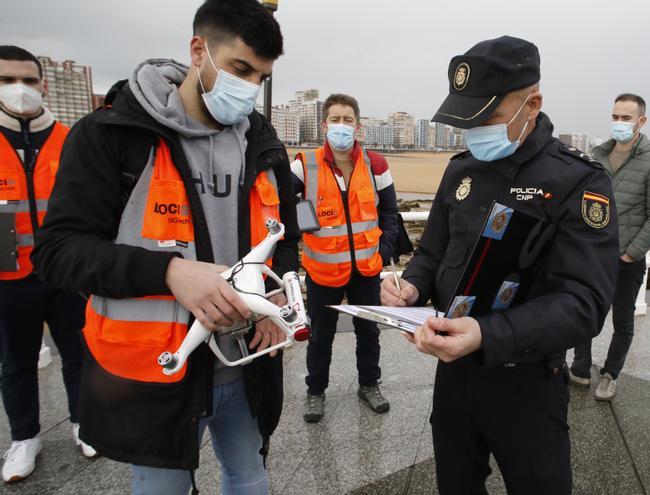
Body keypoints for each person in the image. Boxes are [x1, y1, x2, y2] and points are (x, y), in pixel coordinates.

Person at [31, 1, 298, 493]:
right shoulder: (112, 136)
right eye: (240, 69)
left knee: (251, 476)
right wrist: (169, 272)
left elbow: (285, 239)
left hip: (245, 362)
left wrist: (276, 299)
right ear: (199, 51)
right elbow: (58, 252)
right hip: (155, 374)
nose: (250, 88)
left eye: (261, 77)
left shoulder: (262, 142)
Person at [380, 36, 618, 494]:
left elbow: (584, 302)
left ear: (533, 103)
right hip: (454, 372)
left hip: (526, 380)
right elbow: (432, 252)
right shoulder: (462, 170)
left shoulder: (577, 181)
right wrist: (410, 287)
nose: (474, 130)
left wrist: (489, 334)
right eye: (465, 118)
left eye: (486, 117)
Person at [0, 45, 95, 483]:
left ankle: (83, 421)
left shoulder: (67, 138)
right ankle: (24, 437)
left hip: (65, 268)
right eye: (6, 80)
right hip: (8, 272)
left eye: (28, 79)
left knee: (78, 351)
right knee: (16, 360)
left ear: (44, 84)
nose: (20, 89)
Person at [291, 93, 398, 423]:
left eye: (347, 120)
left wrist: (384, 251)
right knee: (320, 336)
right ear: (325, 125)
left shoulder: (375, 164)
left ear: (358, 125)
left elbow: (390, 212)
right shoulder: (303, 164)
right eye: (335, 119)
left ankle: (369, 384)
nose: (341, 125)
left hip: (366, 268)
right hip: (323, 270)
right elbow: (280, 204)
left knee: (369, 332)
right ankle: (315, 392)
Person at [570, 93, 650, 400]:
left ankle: (610, 373)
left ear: (641, 121)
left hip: (626, 259)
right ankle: (580, 365)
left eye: (626, 118)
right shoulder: (596, 155)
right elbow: (581, 200)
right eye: (615, 116)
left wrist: (630, 254)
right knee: (583, 312)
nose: (619, 123)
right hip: (591, 256)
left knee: (623, 320)